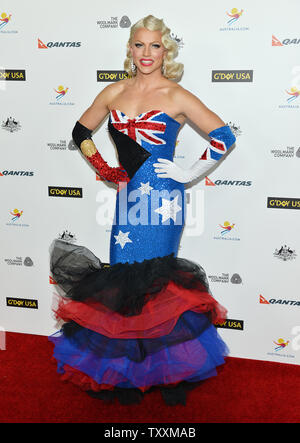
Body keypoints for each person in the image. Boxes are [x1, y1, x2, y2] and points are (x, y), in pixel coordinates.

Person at [49, 14, 236, 406]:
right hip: (128, 198)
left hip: (164, 200)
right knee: (123, 281)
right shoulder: (113, 92)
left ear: (165, 49)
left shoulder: (176, 95)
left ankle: (167, 372)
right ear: (130, 48)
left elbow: (223, 135)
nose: (146, 53)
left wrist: (188, 172)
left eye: (155, 45)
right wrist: (104, 169)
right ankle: (128, 372)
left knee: (158, 281)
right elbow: (81, 132)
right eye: (139, 44)